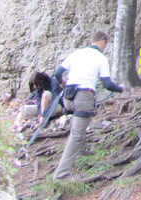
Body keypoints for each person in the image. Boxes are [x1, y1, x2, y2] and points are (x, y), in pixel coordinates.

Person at [52, 31, 124, 180]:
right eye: (105, 44)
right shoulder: (101, 58)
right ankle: (61, 174)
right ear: (102, 41)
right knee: (77, 133)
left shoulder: (76, 54)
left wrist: (62, 83)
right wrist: (120, 89)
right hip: (84, 96)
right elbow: (107, 83)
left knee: (80, 124)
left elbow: (58, 72)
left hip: (68, 96)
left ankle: (82, 151)